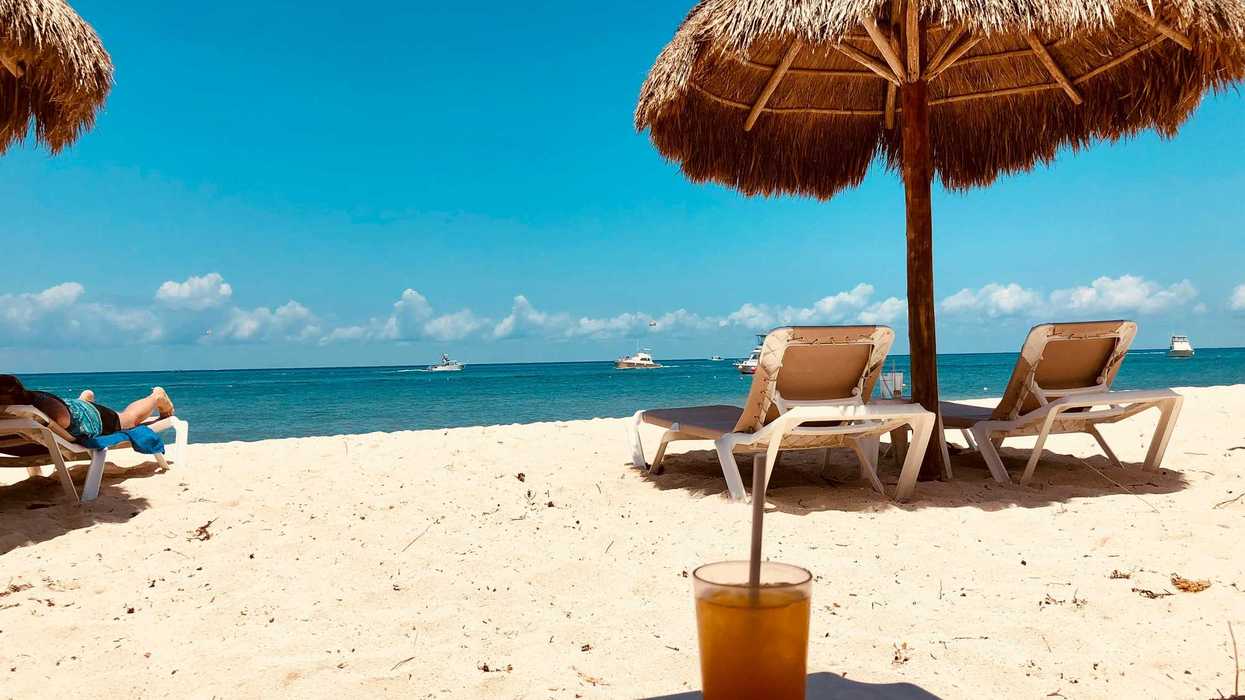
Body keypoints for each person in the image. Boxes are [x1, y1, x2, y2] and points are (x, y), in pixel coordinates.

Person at [0, 375, 174, 440]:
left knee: (129, 419)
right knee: (74, 407)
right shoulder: (23, 411)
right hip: (70, 408)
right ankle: (85, 399)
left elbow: (70, 436)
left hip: (89, 417)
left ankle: (156, 396)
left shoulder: (43, 411)